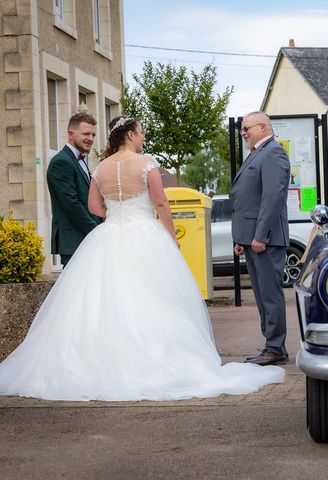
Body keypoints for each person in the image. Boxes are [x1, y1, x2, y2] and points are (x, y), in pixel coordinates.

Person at [0, 116, 285, 401]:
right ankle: (159, 359)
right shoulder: (146, 163)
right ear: (131, 135)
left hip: (110, 234)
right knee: (154, 296)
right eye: (141, 132)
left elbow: (93, 206)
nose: (144, 136)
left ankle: (103, 361)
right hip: (144, 234)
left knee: (105, 300)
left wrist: (117, 213)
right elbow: (160, 202)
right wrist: (169, 235)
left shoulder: (101, 167)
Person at [230, 112, 290, 366]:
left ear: (263, 127)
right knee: (262, 294)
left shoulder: (273, 152)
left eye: (246, 128)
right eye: (242, 129)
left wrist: (260, 236)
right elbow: (246, 199)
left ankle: (276, 347)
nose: (243, 133)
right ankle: (272, 345)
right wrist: (241, 239)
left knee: (270, 295)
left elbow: (272, 198)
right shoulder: (257, 153)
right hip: (251, 239)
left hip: (265, 239)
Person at [46, 113, 102, 266]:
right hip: (74, 240)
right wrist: (95, 231)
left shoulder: (80, 160)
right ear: (71, 134)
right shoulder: (61, 162)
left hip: (86, 238)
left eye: (93, 134)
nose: (90, 138)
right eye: (86, 134)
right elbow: (71, 204)